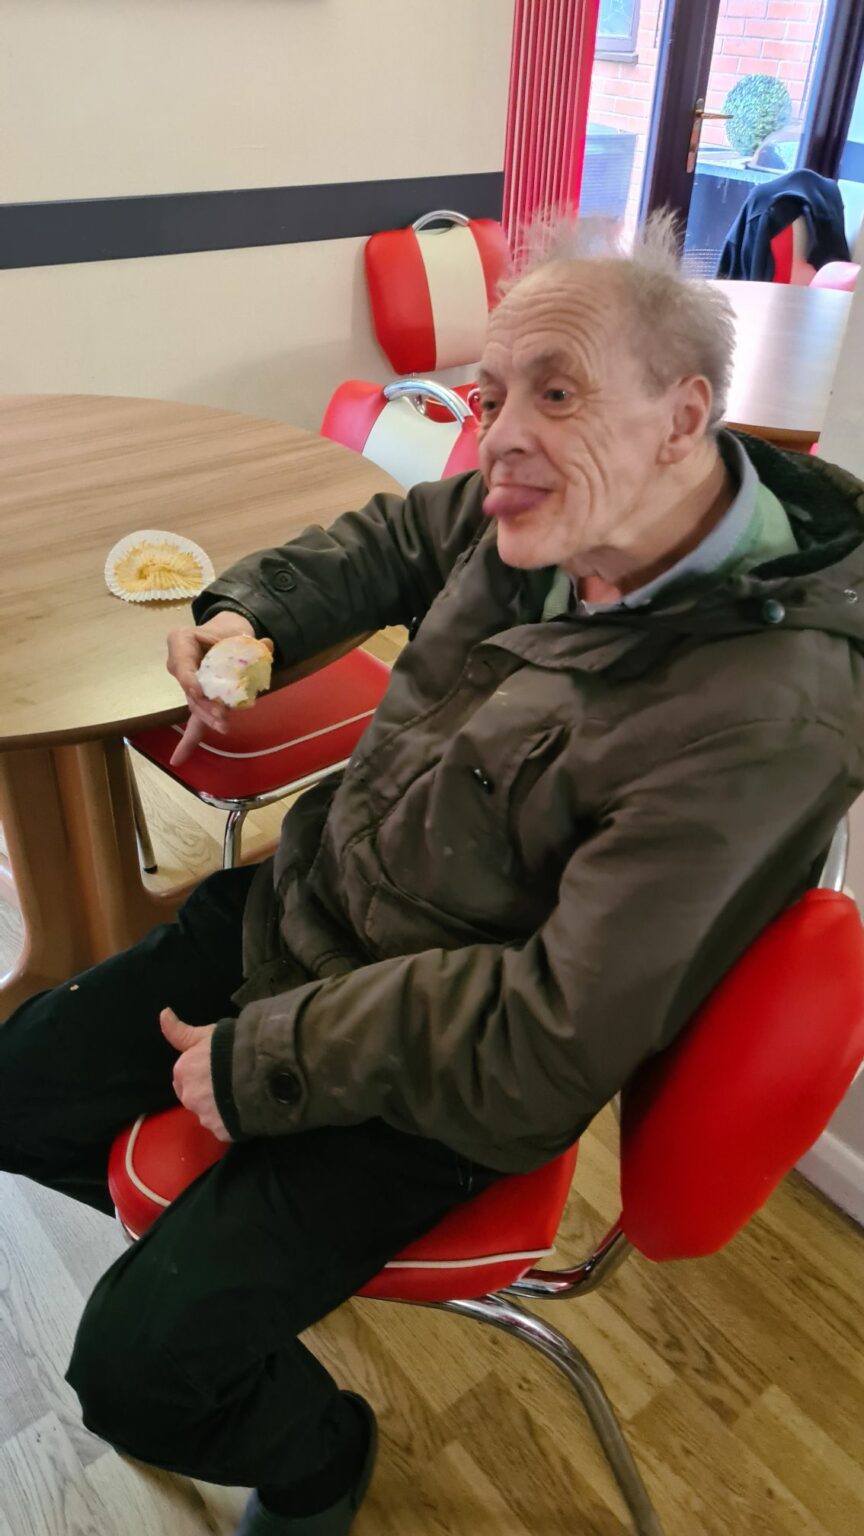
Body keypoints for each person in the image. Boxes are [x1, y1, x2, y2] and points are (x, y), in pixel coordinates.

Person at [3, 214, 864, 1536]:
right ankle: (214, 1271)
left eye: (558, 392)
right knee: (15, 1095)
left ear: (684, 415)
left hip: (435, 1083)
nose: (501, 435)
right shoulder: (556, 504)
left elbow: (546, 1038)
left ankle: (323, 1456)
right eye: (492, 393)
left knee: (133, 1375)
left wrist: (267, 1060)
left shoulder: (759, 719)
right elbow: (402, 536)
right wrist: (254, 608)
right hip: (307, 916)